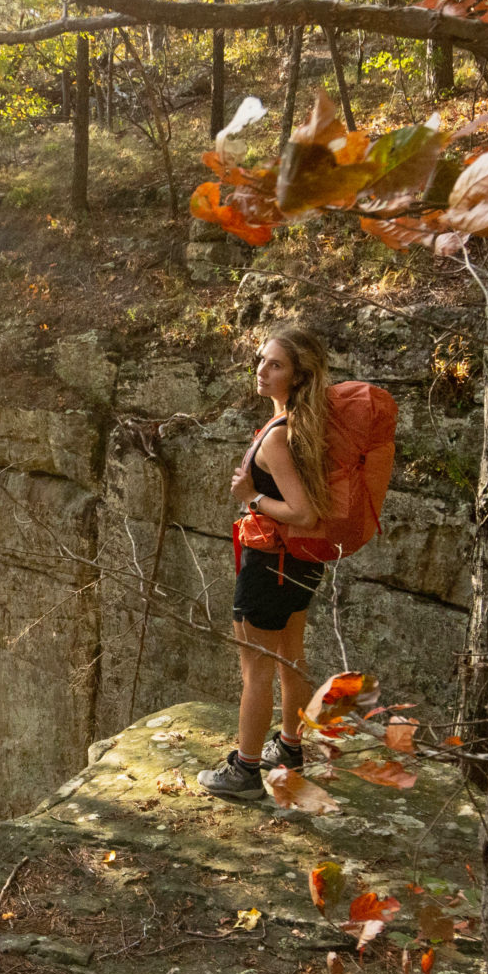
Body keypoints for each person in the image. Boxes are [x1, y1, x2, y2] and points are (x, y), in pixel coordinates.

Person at [200, 323, 332, 798]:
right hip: (298, 563)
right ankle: (290, 747)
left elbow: (303, 511)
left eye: (275, 364)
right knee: (290, 657)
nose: (261, 370)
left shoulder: (278, 437)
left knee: (256, 671)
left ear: (297, 377)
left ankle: (245, 772)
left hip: (270, 564)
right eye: (261, 360)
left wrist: (251, 496)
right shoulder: (306, 425)